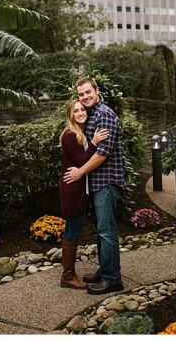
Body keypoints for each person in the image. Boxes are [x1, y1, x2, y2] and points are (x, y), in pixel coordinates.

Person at [64, 77, 125, 295]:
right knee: (102, 231)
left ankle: (113, 279)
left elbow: (102, 154)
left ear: (97, 90)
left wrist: (80, 172)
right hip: (97, 182)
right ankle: (105, 270)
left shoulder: (105, 114)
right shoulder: (92, 115)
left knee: (107, 231)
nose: (85, 97)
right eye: (81, 94)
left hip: (106, 180)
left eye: (88, 92)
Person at [58, 100, 108, 289]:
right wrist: (95, 142)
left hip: (77, 188)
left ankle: (68, 274)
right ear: (70, 115)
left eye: (82, 109)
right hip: (72, 189)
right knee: (72, 230)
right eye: (75, 111)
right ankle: (68, 276)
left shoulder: (79, 132)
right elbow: (80, 160)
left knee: (73, 229)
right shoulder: (70, 135)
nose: (80, 113)